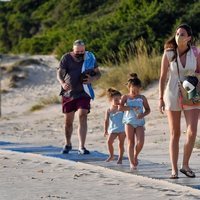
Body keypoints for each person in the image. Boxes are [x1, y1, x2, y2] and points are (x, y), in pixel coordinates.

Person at [159, 23, 200, 179]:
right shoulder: (169, 53)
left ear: (189, 38)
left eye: (182, 34)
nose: (178, 36)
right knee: (175, 133)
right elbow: (162, 77)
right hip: (172, 92)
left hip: (191, 92)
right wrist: (160, 98)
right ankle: (174, 169)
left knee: (192, 131)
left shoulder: (196, 52)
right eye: (177, 34)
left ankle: (185, 165)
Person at [57, 39, 101, 155]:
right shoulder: (66, 58)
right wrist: (62, 83)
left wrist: (92, 79)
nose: (80, 54)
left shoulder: (90, 58)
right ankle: (68, 143)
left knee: (82, 115)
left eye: (82, 51)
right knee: (68, 122)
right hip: (69, 94)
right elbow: (59, 73)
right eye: (78, 51)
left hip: (84, 92)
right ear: (73, 50)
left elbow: (98, 73)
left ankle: (82, 146)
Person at [119, 73, 150, 170]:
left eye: (137, 90)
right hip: (129, 121)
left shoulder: (142, 98)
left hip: (140, 122)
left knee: (140, 142)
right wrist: (131, 107)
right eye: (133, 90)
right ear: (129, 87)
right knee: (130, 142)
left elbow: (148, 109)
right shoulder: (125, 97)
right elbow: (120, 108)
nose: (135, 92)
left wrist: (143, 114)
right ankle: (131, 162)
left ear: (140, 88)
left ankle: (136, 155)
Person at [104, 88, 126, 164]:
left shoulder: (122, 108)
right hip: (112, 129)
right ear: (110, 100)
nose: (118, 101)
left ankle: (120, 158)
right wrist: (105, 130)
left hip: (122, 129)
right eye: (116, 100)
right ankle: (111, 155)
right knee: (109, 142)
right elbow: (106, 121)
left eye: (120, 99)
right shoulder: (108, 110)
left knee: (121, 143)